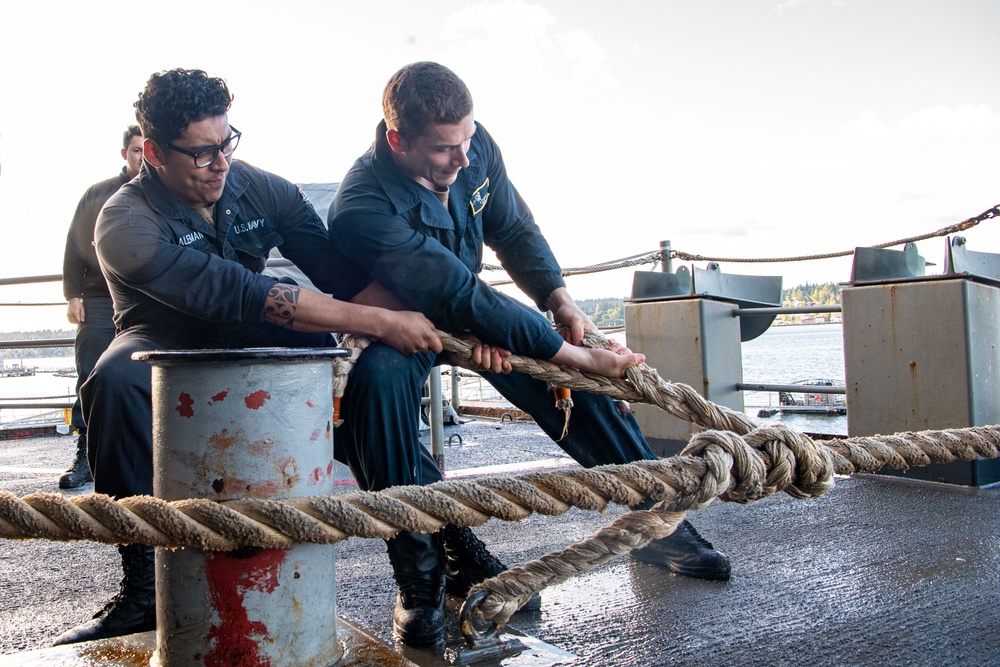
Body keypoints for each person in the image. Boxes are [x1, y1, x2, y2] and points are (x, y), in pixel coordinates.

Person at [327, 61, 732, 648]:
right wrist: (579, 356)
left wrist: (559, 299)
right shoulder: (361, 205)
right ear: (397, 141)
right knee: (379, 390)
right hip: (399, 325)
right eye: (444, 150)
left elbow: (512, 228)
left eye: (467, 140)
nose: (463, 160)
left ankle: (660, 525)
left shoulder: (472, 144)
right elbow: (455, 292)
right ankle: (420, 583)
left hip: (467, 311)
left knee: (567, 383)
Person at [52, 68, 445, 646]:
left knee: (368, 379)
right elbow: (245, 292)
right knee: (113, 381)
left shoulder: (265, 189)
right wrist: (380, 321)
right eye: (202, 152)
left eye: (227, 142)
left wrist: (436, 322)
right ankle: (142, 592)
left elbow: (343, 277)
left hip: (256, 329)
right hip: (164, 339)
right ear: (154, 152)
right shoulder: (122, 221)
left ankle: (439, 556)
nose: (220, 163)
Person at [58, 125, 143, 489]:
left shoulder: (166, 194)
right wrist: (72, 294)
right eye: (135, 150)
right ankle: (86, 455)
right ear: (124, 153)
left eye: (146, 150)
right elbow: (75, 244)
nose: (142, 157)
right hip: (98, 297)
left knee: (148, 374)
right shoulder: (98, 194)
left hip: (145, 299)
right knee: (90, 371)